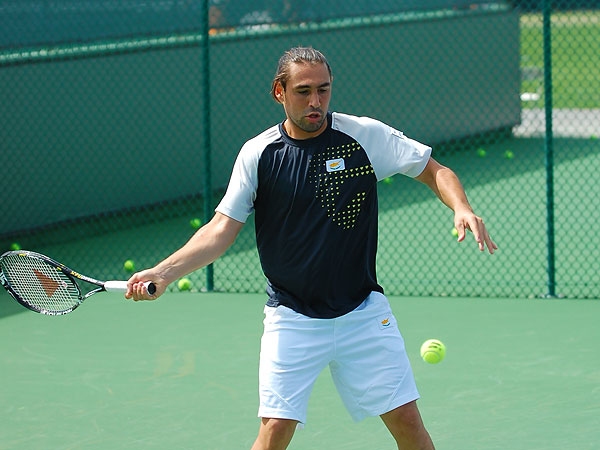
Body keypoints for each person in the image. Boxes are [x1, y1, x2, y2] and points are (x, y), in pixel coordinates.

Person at [126, 46, 497, 450]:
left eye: (323, 89)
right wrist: (163, 273)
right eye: (303, 91)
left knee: (408, 423)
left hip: (362, 312)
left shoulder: (363, 136)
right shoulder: (259, 153)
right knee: (275, 430)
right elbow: (220, 230)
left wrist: (462, 207)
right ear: (279, 92)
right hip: (292, 316)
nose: (316, 101)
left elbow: (434, 170)